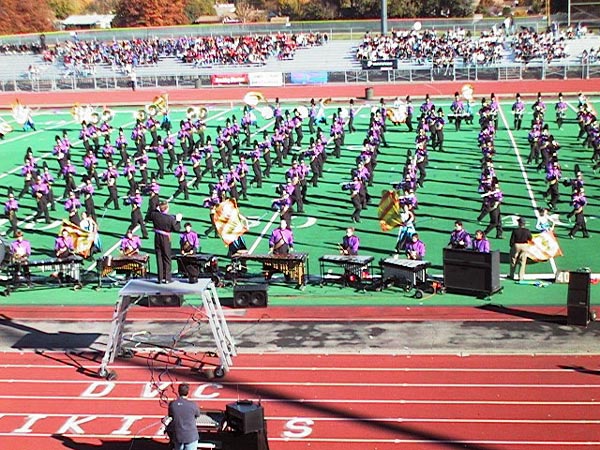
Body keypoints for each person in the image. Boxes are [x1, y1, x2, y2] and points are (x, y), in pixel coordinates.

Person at [147, 201, 182, 284]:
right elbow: (176, 229)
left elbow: (149, 215)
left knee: (159, 257)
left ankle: (160, 278)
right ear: (167, 208)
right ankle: (167, 278)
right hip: (165, 238)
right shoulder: (170, 219)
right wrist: (178, 220)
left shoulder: (155, 215)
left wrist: (157, 209)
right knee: (167, 257)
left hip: (157, 236)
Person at [167, 383, 201, 450]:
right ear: (188, 392)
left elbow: (171, 415)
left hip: (178, 436)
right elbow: (197, 414)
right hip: (191, 436)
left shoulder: (172, 404)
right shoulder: (193, 405)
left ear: (178, 392)